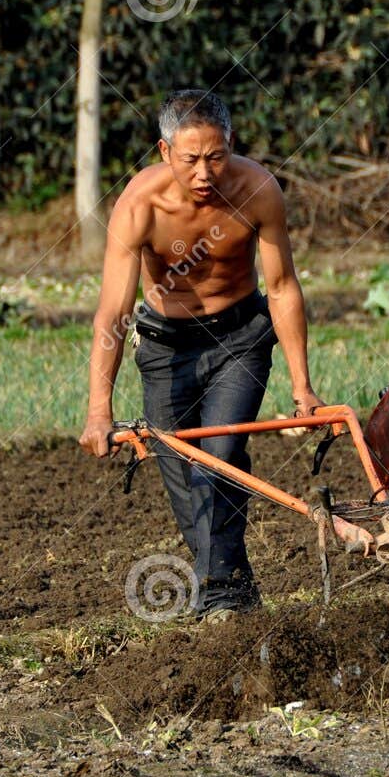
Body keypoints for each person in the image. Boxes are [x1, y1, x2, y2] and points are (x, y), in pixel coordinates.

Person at [79, 90, 322, 619]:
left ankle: (221, 599)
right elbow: (112, 314)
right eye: (190, 159)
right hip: (167, 346)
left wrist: (302, 387)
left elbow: (281, 287)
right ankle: (234, 588)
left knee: (220, 458)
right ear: (164, 152)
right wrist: (99, 408)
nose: (205, 173)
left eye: (216, 156)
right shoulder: (139, 206)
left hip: (240, 339)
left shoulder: (258, 190)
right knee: (183, 474)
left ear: (230, 144)